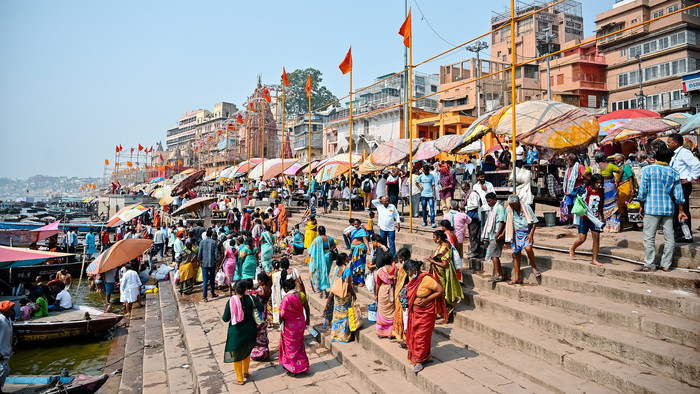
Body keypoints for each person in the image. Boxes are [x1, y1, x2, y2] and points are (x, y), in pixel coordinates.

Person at [637, 148, 687, 272]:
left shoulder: (648, 170)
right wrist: (681, 211)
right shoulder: (673, 172)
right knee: (669, 237)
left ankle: (649, 264)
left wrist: (641, 205)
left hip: (651, 207)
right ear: (668, 159)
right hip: (667, 208)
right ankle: (666, 264)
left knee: (649, 237)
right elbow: (679, 194)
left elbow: (643, 191)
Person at [404, 259, 444, 374]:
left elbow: (440, 290)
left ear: (415, 270)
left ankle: (419, 360)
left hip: (426, 313)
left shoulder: (426, 279)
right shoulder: (414, 278)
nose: (409, 275)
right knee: (415, 335)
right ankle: (425, 356)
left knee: (421, 336)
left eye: (409, 272)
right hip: (415, 312)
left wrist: (427, 300)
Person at [222, 279, 263, 385]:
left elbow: (225, 318)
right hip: (250, 330)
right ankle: (246, 372)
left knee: (236, 354)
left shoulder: (231, 301)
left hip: (236, 332)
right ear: (245, 289)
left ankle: (240, 379)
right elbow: (261, 307)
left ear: (235, 290)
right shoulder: (251, 298)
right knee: (246, 349)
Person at [668, 133, 700, 242]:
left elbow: (696, 165)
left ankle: (686, 235)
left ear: (676, 142)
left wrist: (690, 178)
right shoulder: (675, 154)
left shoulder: (684, 153)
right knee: (676, 210)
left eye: (669, 142)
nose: (668, 144)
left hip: (683, 185)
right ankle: (678, 233)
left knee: (683, 209)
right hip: (676, 184)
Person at [278, 271, 311, 374]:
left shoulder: (287, 298)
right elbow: (306, 307)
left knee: (291, 347)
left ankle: (293, 367)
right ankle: (303, 365)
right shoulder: (301, 295)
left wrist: (281, 323)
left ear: (286, 289)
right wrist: (308, 319)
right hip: (300, 323)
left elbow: (281, 314)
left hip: (290, 326)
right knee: (300, 345)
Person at [426, 230, 463, 321]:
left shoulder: (443, 248)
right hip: (441, 272)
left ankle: (443, 312)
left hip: (442, 274)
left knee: (441, 291)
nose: (433, 239)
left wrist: (433, 261)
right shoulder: (446, 243)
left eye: (434, 237)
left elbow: (445, 264)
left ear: (439, 238)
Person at [504, 195, 541, 284]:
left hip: (526, 233)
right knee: (516, 254)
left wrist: (531, 234)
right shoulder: (508, 210)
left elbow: (534, 222)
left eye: (514, 205)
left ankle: (534, 266)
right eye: (510, 205)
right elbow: (507, 223)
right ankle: (517, 277)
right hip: (515, 233)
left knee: (528, 249)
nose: (512, 207)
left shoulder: (526, 207)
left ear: (518, 203)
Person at [570, 174, 605, 266]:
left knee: (596, 238)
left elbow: (601, 205)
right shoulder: (587, 191)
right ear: (593, 182)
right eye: (597, 183)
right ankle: (572, 249)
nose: (599, 185)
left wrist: (602, 217)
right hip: (584, 218)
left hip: (595, 218)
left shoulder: (601, 191)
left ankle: (594, 259)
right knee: (582, 239)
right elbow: (579, 203)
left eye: (600, 183)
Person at [585, 152, 620, 233]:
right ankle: (612, 227)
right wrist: (617, 181)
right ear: (604, 158)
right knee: (612, 206)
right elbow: (620, 171)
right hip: (610, 187)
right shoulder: (610, 165)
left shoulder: (593, 167)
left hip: (599, 187)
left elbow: (584, 174)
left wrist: (593, 181)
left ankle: (599, 225)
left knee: (600, 205)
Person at [326, 253, 357, 343]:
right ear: (344, 260)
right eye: (347, 257)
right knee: (344, 314)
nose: (348, 258)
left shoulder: (337, 268)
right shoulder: (347, 270)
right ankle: (344, 336)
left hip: (337, 294)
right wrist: (353, 293)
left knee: (337, 314)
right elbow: (348, 284)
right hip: (344, 295)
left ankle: (335, 335)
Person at [480, 193, 506, 282]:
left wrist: (498, 234)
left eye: (490, 201)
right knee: (493, 255)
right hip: (492, 235)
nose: (489, 203)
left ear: (495, 199)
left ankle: (498, 275)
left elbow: (502, 222)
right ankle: (498, 274)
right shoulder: (492, 208)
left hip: (496, 235)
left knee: (493, 255)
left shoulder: (499, 208)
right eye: (487, 201)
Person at [308, 226, 336, 298]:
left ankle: (323, 291)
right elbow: (334, 246)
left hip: (320, 258)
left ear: (319, 232)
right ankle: (323, 289)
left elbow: (309, 251)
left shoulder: (317, 239)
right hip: (328, 257)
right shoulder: (330, 238)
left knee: (322, 274)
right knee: (326, 273)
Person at [374, 250, 396, 338]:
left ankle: (382, 332)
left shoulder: (380, 271)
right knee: (392, 311)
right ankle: (391, 332)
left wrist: (376, 294)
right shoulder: (396, 270)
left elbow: (378, 284)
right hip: (393, 291)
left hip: (383, 291)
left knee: (382, 311)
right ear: (391, 260)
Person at [392, 248, 411, 347]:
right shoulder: (404, 267)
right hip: (401, 296)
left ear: (403, 258)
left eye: (399, 258)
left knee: (405, 319)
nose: (398, 260)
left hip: (405, 298)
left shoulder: (408, 267)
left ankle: (405, 340)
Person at [251, 273, 272, 362]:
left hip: (260, 312)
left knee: (259, 332)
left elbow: (262, 294)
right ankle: (265, 350)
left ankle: (261, 352)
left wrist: (256, 292)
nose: (258, 281)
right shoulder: (268, 287)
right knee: (263, 331)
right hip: (264, 309)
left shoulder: (263, 288)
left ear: (262, 280)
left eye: (259, 280)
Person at [613, 154, 637, 231]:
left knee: (622, 205)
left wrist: (632, 190)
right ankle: (624, 223)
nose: (615, 162)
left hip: (626, 188)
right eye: (615, 161)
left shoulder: (626, 167)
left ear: (622, 161)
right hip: (621, 188)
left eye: (617, 161)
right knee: (621, 206)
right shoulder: (618, 168)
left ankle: (627, 223)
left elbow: (630, 178)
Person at [563, 154, 587, 227]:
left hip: (576, 191)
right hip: (568, 192)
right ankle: (572, 222)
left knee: (576, 207)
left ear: (572, 160)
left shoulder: (580, 167)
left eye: (567, 160)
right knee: (570, 207)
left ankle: (577, 223)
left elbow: (585, 176)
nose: (566, 162)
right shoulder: (569, 168)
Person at [198, 229, 219, 302]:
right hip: (212, 263)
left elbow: (200, 253)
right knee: (212, 279)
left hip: (204, 263)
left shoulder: (202, 242)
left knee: (205, 280)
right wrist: (216, 261)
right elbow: (216, 254)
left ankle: (204, 296)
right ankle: (212, 292)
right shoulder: (214, 242)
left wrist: (200, 260)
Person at [348, 218, 370, 285]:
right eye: (355, 224)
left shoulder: (362, 231)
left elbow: (365, 240)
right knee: (354, 265)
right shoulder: (353, 231)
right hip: (354, 250)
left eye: (357, 224)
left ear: (360, 224)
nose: (356, 225)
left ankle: (361, 281)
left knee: (360, 265)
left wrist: (369, 249)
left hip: (360, 249)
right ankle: (355, 280)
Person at [0, 301, 15, 390]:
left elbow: (9, 333)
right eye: (11, 310)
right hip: (1, 351)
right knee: (2, 372)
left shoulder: (8, 319)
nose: (12, 312)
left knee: (5, 372)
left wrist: (13, 345)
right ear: (5, 310)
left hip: (7, 350)